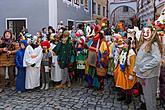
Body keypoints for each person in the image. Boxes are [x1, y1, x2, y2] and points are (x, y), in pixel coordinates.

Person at [134, 25, 163, 110]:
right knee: (144, 94)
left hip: (149, 75)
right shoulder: (144, 42)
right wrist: (137, 67)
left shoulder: (153, 44)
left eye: (148, 32)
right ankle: (144, 106)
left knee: (150, 97)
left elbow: (157, 60)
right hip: (143, 75)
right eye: (144, 32)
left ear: (152, 33)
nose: (145, 34)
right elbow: (142, 57)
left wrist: (144, 68)